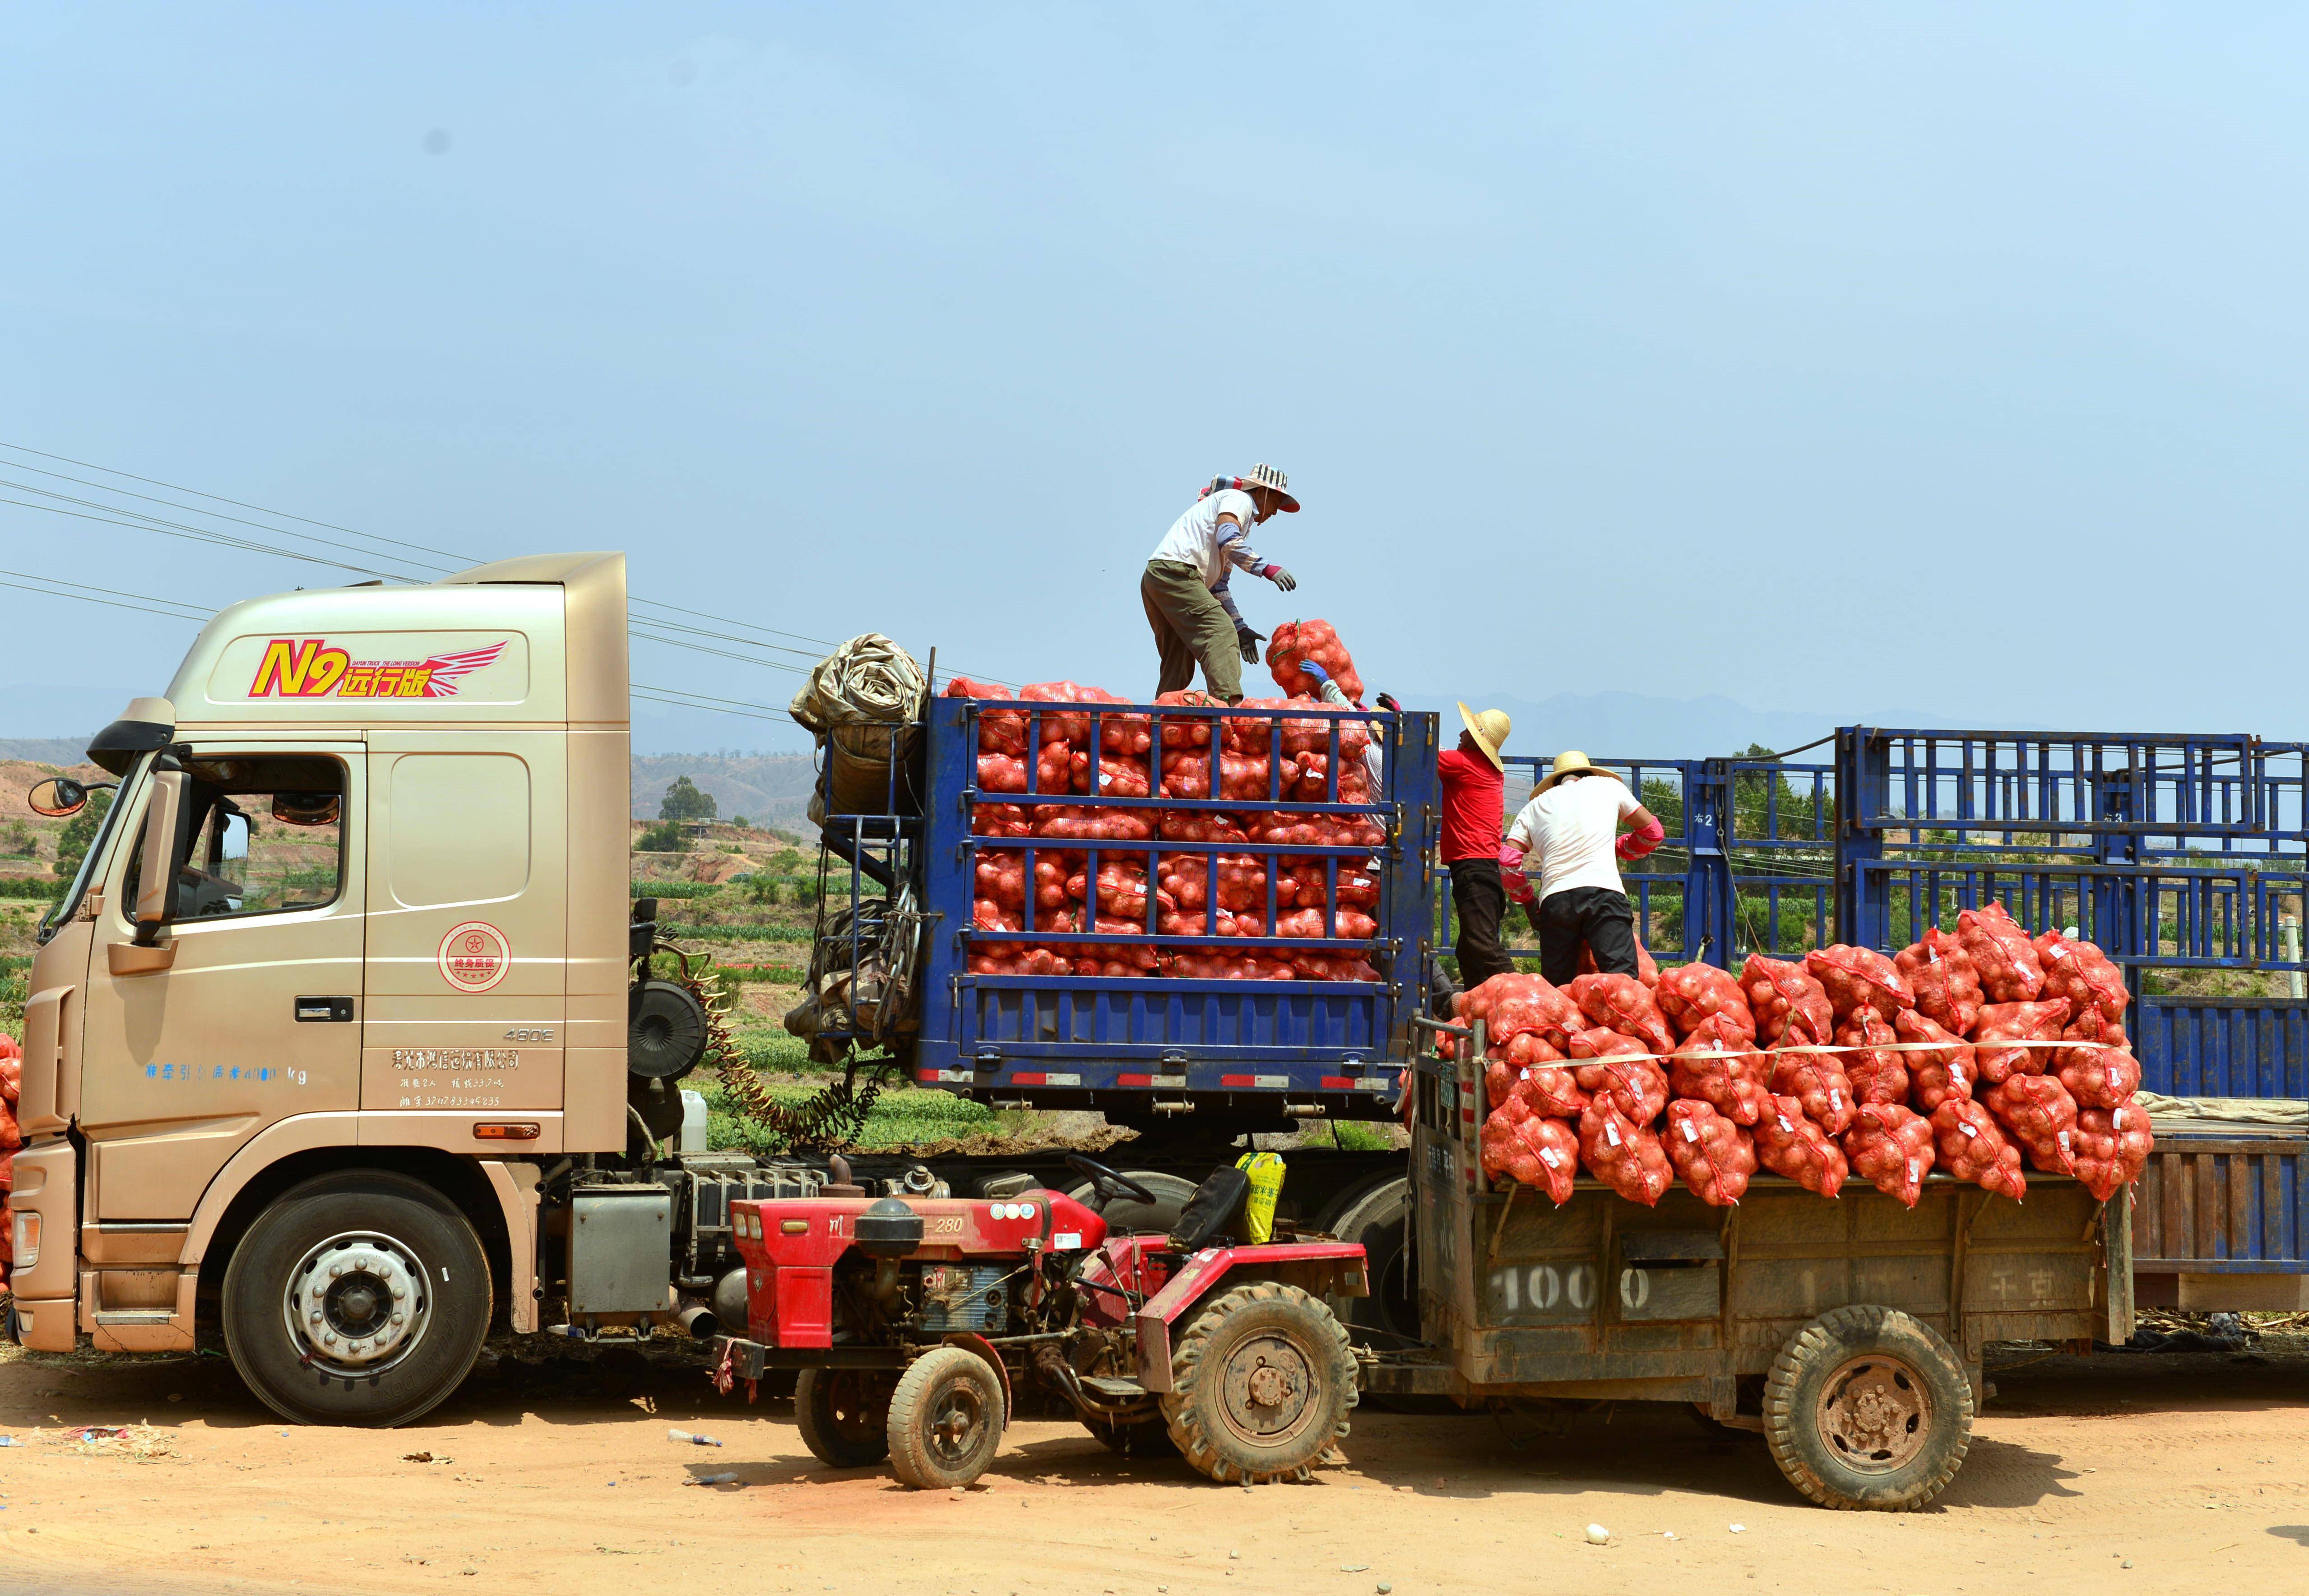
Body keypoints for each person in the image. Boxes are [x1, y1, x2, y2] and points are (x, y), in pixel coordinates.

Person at [1502, 750, 1665, 986]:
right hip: (1605, 895)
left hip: (1556, 903)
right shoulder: (1609, 787)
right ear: (1587, 773)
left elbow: (1507, 862)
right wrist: (1621, 849)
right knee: (1623, 985)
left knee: (1559, 990)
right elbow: (1653, 833)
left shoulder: (1533, 807)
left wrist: (1528, 901)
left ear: (1555, 782)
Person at [1142, 464, 1298, 703]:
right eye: (1277, 502)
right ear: (1262, 492)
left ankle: (1164, 717)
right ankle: (1229, 710)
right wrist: (1267, 569)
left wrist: (1241, 628)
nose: (1276, 512)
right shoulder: (1239, 500)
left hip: (1159, 578)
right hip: (1178, 574)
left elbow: (1219, 587)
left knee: (1179, 655)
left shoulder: (1236, 518)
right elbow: (1228, 538)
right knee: (1221, 633)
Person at [1437, 703, 1518, 991]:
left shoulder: (1461, 764)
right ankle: (1479, 1005)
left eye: (1469, 731)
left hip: (1472, 867)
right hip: (1484, 869)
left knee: (1482, 944)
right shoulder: (1487, 769)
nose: (1461, 733)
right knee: (1469, 951)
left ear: (1477, 741)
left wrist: (1399, 722)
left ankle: (1523, 994)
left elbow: (1417, 754)